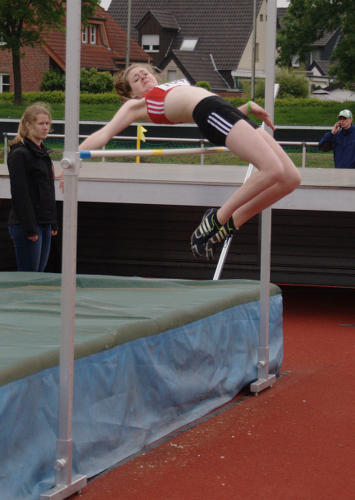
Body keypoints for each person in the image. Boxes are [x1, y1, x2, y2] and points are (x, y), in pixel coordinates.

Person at [79, 63, 301, 260]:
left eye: (144, 73)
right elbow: (104, 133)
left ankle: (230, 224)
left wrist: (248, 107)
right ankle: (215, 220)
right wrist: (75, 155)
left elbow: (218, 114)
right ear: (132, 94)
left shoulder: (171, 88)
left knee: (290, 178)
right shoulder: (136, 106)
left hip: (223, 110)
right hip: (209, 112)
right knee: (272, 170)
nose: (143, 77)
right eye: (136, 79)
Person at [7, 103, 58, 272]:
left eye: (47, 124)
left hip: (44, 222)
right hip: (27, 224)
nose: (45, 128)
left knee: (39, 275)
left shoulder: (43, 153)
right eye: (41, 123)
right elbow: (20, 194)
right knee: (29, 276)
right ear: (28, 125)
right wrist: (30, 229)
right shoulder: (19, 154)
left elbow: (48, 191)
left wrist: (53, 222)